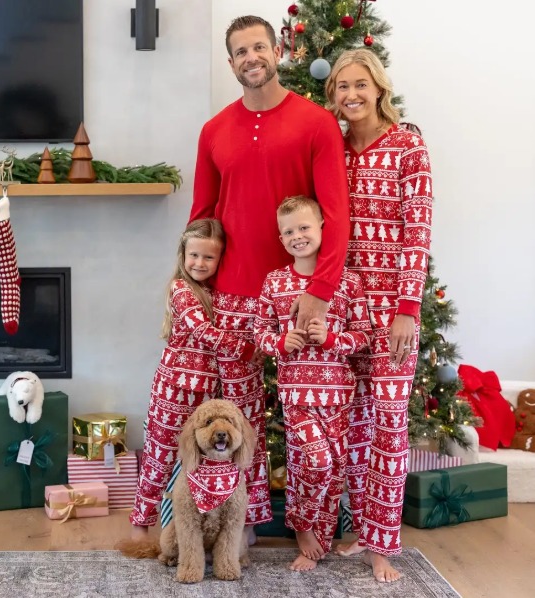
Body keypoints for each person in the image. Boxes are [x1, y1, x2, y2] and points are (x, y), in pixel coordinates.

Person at [190, 15, 350, 537]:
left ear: (277, 51)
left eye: (259, 46)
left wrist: (320, 292)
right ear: (230, 62)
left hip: (297, 295)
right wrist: (190, 289)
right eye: (239, 51)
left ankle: (312, 525)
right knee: (239, 417)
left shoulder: (316, 123)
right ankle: (247, 520)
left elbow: (336, 213)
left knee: (310, 420)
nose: (250, 57)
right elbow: (202, 217)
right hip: (234, 294)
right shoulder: (214, 131)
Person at [324, 48, 433, 583]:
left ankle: (383, 545)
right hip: (345, 309)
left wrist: (407, 310)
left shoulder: (407, 143)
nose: (351, 94)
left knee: (389, 429)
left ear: (379, 87)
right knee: (353, 429)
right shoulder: (335, 150)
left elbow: (419, 230)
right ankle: (362, 531)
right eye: (342, 86)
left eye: (360, 84)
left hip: (394, 312)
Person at [254, 196, 371, 571]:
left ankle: (316, 544)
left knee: (333, 469)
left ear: (322, 227)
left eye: (304, 227)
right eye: (288, 231)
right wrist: (278, 343)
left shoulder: (347, 281)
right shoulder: (275, 282)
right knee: (316, 462)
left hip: (338, 394)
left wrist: (332, 339)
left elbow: (364, 335)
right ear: (280, 237)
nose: (297, 236)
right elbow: (260, 333)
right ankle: (302, 526)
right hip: (297, 394)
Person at [130, 219, 257, 538]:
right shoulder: (181, 289)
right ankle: (140, 525)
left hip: (207, 390)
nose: (199, 263)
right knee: (159, 453)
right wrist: (244, 348)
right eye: (194, 255)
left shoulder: (216, 291)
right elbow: (202, 331)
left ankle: (211, 528)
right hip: (174, 388)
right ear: (182, 255)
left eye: (208, 257)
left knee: (212, 456)